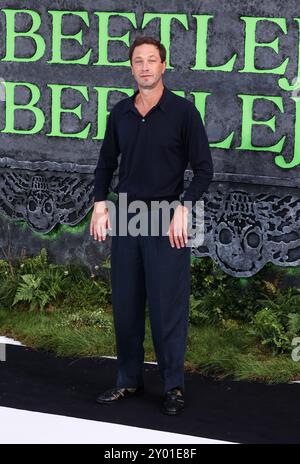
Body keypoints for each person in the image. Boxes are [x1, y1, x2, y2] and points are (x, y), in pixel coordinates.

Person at [90, 36, 214, 415]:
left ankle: (173, 387)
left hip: (166, 218)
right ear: (132, 69)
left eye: (152, 60)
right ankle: (128, 380)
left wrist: (184, 206)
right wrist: (100, 205)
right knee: (126, 305)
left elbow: (204, 169)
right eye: (138, 61)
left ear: (163, 66)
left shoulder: (182, 112)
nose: (145, 67)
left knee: (167, 308)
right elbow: (106, 164)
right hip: (127, 215)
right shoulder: (121, 113)